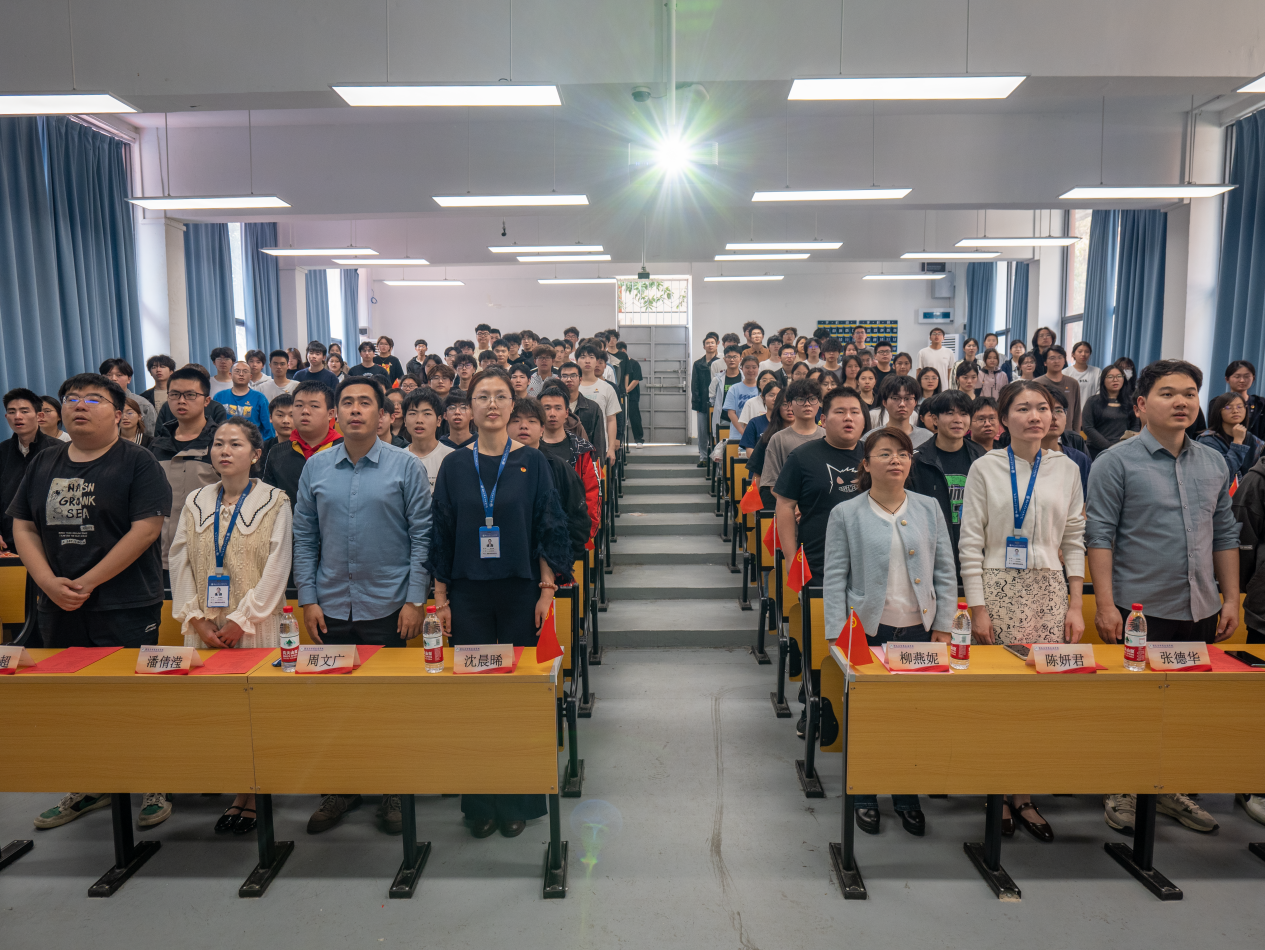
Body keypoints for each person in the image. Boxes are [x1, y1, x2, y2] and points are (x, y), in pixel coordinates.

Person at [8, 373, 171, 830]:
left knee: (134, 701)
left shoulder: (138, 461)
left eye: (94, 399)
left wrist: (87, 583)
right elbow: (23, 525)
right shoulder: (45, 461)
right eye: (72, 398)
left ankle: (155, 781)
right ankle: (92, 784)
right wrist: (48, 582)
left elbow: (146, 529)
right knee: (76, 703)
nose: (80, 405)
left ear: (119, 415)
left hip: (124, 603)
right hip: (56, 603)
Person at [1088, 360, 1239, 837]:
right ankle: (1122, 788)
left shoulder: (1214, 462)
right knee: (1132, 709)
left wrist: (1230, 599)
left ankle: (1167, 787)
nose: (1181, 402)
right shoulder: (1115, 462)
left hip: (1200, 607)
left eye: (1189, 394)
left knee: (1184, 710)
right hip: (1139, 611)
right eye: (1168, 393)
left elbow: (1225, 534)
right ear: (1141, 404)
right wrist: (1105, 605)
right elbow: (1100, 536)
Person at [428, 369, 570, 839]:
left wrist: (547, 590)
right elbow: (442, 531)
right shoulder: (454, 465)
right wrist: (441, 598)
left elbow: (549, 525)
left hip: (519, 592)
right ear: (468, 407)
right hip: (467, 594)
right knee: (474, 701)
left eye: (501, 396)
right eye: (482, 396)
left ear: (513, 404)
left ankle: (517, 799)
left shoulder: (533, 462)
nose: (492, 404)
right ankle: (480, 801)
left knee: (516, 698)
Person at [294, 376, 431, 835]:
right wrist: (308, 599)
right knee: (333, 707)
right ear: (336, 413)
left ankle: (393, 787)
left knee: (387, 705)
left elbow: (422, 537)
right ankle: (342, 785)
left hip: (388, 605)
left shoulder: (405, 467)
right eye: (347, 402)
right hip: (330, 605)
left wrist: (415, 600)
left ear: (383, 414)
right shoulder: (315, 468)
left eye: (365, 403)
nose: (355, 410)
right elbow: (304, 537)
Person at [958, 380, 1085, 843]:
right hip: (996, 587)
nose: (1036, 416)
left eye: (1044, 408)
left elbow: (1074, 538)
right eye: (1024, 408)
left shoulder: (1067, 468)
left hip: (1049, 591)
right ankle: (993, 789)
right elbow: (970, 542)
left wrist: (1076, 603)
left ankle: (1024, 792)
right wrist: (978, 608)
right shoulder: (985, 467)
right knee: (997, 696)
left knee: (1037, 698)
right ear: (1003, 418)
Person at [822, 426, 956, 837]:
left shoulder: (928, 507)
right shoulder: (846, 513)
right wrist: (837, 633)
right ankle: (864, 793)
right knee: (868, 717)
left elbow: (945, 570)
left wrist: (944, 625)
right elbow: (835, 577)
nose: (896, 459)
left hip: (918, 631)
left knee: (912, 719)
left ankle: (906, 795)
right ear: (865, 464)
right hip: (868, 632)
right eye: (885, 453)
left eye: (903, 453)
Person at [168, 417, 291, 836]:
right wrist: (196, 618)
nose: (224, 450)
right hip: (205, 627)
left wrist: (242, 620)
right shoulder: (196, 500)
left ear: (255, 454)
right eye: (219, 443)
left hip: (256, 626)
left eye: (235, 444)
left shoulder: (275, 500)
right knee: (221, 715)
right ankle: (239, 788)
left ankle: (258, 794)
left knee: (259, 712)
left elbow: (278, 565)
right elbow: (179, 559)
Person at [774, 386, 868, 580]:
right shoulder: (802, 457)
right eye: (840, 412)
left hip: (869, 561)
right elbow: (785, 506)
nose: (848, 418)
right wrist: (790, 558)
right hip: (818, 563)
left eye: (855, 412)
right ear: (823, 420)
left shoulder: (874, 455)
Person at [907, 390, 986, 583]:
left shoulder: (982, 458)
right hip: (931, 556)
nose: (958, 420)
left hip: (974, 552)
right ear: (935, 419)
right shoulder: (918, 461)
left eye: (964, 414)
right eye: (950, 413)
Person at [150, 367, 222, 571]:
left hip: (210, 553)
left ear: (206, 401)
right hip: (162, 555)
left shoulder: (221, 443)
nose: (181, 401)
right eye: (174, 395)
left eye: (190, 395)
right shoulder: (157, 445)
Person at [510, 398, 590, 563]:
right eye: (516, 421)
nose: (523, 426)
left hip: (551, 561)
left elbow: (578, 520)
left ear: (542, 429)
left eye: (531, 421)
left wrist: (561, 560)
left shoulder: (559, 467)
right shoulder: (495, 465)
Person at [538, 383, 601, 545]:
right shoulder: (529, 449)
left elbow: (592, 494)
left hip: (573, 533)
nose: (552, 413)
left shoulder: (582, 449)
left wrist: (584, 535)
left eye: (558, 408)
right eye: (546, 408)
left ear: (567, 413)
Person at [262, 381, 341, 509]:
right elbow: (267, 499)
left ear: (330, 414)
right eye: (298, 405)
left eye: (314, 406)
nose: (305, 411)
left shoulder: (345, 450)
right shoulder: (277, 452)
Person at [0, 388, 60, 552]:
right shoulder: (2, 451)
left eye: (24, 411)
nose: (17, 416)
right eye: (12, 412)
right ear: (6, 417)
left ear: (39, 416)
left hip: (50, 543)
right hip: (8, 543)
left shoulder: (59, 450)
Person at [762, 378, 825, 493]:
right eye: (801, 399)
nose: (807, 404)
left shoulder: (828, 436)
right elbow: (773, 484)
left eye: (812, 399)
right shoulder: (778, 439)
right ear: (790, 404)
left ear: (819, 402)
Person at [1198, 391, 1264, 480]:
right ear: (1218, 411)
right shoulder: (1208, 440)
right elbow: (1224, 473)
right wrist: (1237, 442)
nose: (1235, 411)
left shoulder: (1253, 440)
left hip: (1247, 488)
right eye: (1228, 407)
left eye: (1239, 407)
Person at [1081, 365, 1139, 458]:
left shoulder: (1130, 402)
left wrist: (1125, 444)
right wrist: (1109, 446)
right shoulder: (1092, 401)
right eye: (1110, 377)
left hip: (1123, 451)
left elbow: (1135, 426)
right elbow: (1088, 427)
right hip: (1096, 451)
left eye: (1119, 376)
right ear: (1103, 380)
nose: (1115, 380)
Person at [576, 343, 620, 463]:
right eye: (583, 357)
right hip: (573, 447)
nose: (587, 361)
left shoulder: (607, 388)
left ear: (596, 361)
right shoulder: (571, 387)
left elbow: (611, 420)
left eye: (591, 357)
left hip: (600, 447)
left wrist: (611, 448)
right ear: (576, 361)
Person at [1042, 387, 1091, 497]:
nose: (1054, 417)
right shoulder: (1019, 458)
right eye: (1045, 410)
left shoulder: (1079, 459)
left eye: (1059, 410)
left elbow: (1087, 499)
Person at [403, 387, 453, 492]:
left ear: (439, 420)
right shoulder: (398, 460)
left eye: (427, 414)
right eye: (412, 413)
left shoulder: (451, 457)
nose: (419, 420)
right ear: (405, 421)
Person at [214, 361, 275, 439]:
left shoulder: (259, 398)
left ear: (250, 376)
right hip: (225, 441)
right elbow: (213, 425)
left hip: (253, 442)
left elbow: (268, 428)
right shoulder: (219, 397)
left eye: (245, 371)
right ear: (230, 375)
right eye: (237, 371)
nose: (241, 374)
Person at [559, 362, 607, 461]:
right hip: (560, 461)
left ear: (580, 379)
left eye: (573, 376)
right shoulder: (554, 409)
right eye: (565, 376)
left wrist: (597, 465)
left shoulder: (593, 408)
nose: (569, 379)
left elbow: (599, 442)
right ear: (559, 379)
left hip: (585, 463)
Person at [869, 376, 934, 447]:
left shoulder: (928, 438)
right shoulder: (871, 438)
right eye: (895, 398)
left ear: (915, 402)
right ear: (884, 402)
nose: (902, 404)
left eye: (907, 398)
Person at [101, 358, 158, 434]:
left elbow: (151, 435)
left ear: (129, 379)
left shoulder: (143, 404)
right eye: (108, 375)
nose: (113, 379)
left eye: (119, 375)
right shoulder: (96, 403)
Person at [691, 332, 722, 464]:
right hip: (702, 402)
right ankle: (703, 457)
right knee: (702, 431)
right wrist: (696, 404)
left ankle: (716, 458)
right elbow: (695, 385)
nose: (710, 345)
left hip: (717, 403)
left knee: (715, 431)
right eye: (707, 343)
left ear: (717, 345)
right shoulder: (698, 364)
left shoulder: (720, 363)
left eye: (712, 343)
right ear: (704, 346)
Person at [1036, 344, 1082, 430]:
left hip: (1068, 432)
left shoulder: (1073, 383)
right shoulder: (1037, 383)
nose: (1056, 361)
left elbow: (1077, 412)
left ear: (1064, 361)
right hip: (1044, 431)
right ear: (1045, 362)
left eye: (1060, 357)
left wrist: (1076, 434)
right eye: (1052, 358)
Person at [723, 355, 762, 436]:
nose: (750, 370)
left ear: (758, 368)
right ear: (742, 368)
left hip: (759, 433)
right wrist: (743, 432)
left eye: (754, 367)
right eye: (747, 367)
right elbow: (731, 413)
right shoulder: (734, 389)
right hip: (738, 434)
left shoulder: (762, 388)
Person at [1225, 360, 1265, 439]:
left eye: (1246, 376)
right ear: (1227, 379)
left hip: (1257, 445)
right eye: (1237, 376)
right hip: (1226, 445)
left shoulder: (1260, 403)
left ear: (1253, 378)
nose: (1242, 380)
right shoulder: (1218, 402)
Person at [738, 382, 781, 453]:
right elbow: (749, 452)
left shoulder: (789, 422)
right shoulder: (754, 423)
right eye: (771, 395)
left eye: (779, 395)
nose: (775, 398)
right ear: (764, 399)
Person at [258, 392, 294, 474]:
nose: (286, 421)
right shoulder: (263, 449)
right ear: (270, 418)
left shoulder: (306, 448)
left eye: (292, 415)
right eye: (280, 415)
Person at [618, 341, 644, 443]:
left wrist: (626, 390)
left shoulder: (634, 363)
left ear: (624, 351)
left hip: (632, 396)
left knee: (634, 417)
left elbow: (636, 380)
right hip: (619, 395)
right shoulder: (618, 364)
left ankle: (639, 439)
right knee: (620, 418)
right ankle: (619, 440)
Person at [1066, 341, 1102, 411]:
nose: (1083, 354)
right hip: (1071, 411)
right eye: (1080, 351)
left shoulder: (1097, 372)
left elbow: (1100, 392)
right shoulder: (1065, 372)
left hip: (1092, 410)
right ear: (1073, 354)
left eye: (1087, 352)